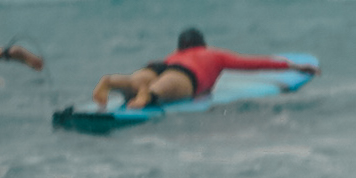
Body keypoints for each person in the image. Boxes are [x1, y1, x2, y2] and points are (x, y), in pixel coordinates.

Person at [88, 27, 317, 111]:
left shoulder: (174, 55)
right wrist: (291, 65)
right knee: (161, 89)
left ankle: (113, 82)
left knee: (136, 80)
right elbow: (252, 63)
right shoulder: (212, 54)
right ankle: (148, 95)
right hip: (185, 76)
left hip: (159, 66)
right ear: (202, 44)